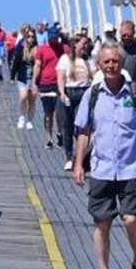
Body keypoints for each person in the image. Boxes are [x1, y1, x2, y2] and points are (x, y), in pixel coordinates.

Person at [73, 43, 136, 269]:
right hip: (102, 169)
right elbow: (83, 132)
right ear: (99, 65)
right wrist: (79, 163)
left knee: (131, 219)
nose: (111, 65)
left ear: (122, 64)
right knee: (102, 222)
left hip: (131, 168)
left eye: (115, 61)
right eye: (106, 62)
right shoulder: (93, 94)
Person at [57, 35, 91, 171]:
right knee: (68, 126)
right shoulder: (65, 59)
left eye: (87, 44)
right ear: (75, 44)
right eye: (83, 44)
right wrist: (62, 93)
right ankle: (69, 157)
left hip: (84, 92)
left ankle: (81, 156)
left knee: (82, 126)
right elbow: (60, 77)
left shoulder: (88, 60)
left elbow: (94, 76)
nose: (85, 46)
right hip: (70, 92)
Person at [32, 25, 70, 149]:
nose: (52, 40)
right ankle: (48, 138)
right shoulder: (42, 49)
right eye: (51, 37)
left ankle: (60, 133)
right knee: (48, 113)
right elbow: (37, 66)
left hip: (60, 84)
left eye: (54, 37)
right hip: (45, 84)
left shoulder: (65, 49)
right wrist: (34, 83)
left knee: (60, 111)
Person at [10, 26, 37, 130]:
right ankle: (22, 117)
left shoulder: (37, 50)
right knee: (23, 97)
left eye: (32, 37)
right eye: (28, 36)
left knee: (32, 99)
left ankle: (30, 121)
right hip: (22, 76)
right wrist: (12, 77)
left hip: (34, 78)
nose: (30, 39)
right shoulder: (21, 48)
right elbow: (15, 63)